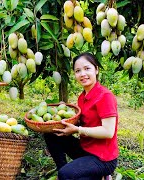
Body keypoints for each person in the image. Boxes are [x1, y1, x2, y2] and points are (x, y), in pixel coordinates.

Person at [44, 52, 118, 180]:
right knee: (51, 134)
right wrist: (63, 112)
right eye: (78, 71)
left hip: (103, 158)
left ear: (96, 70)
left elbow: (108, 132)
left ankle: (98, 173)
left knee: (66, 175)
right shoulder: (82, 97)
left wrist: (77, 130)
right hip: (86, 150)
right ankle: (70, 172)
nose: (82, 74)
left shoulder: (105, 96)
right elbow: (82, 121)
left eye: (87, 68)